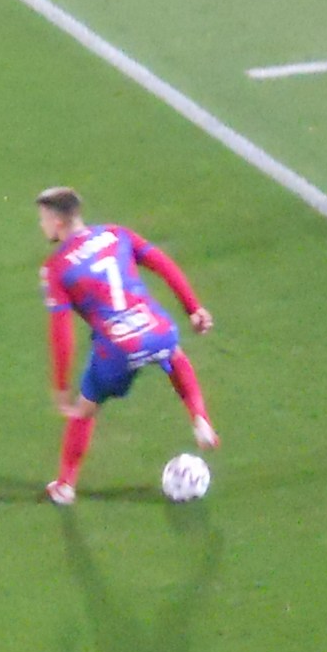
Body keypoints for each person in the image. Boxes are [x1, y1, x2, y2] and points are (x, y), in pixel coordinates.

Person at [37, 187, 219, 505]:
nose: (42, 225)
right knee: (175, 356)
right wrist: (193, 308)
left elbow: (62, 332)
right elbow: (163, 264)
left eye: (43, 219)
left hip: (118, 347)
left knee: (83, 410)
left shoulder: (56, 268)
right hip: (156, 329)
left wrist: (61, 385)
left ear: (57, 221)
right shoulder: (116, 233)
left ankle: (65, 486)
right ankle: (200, 419)